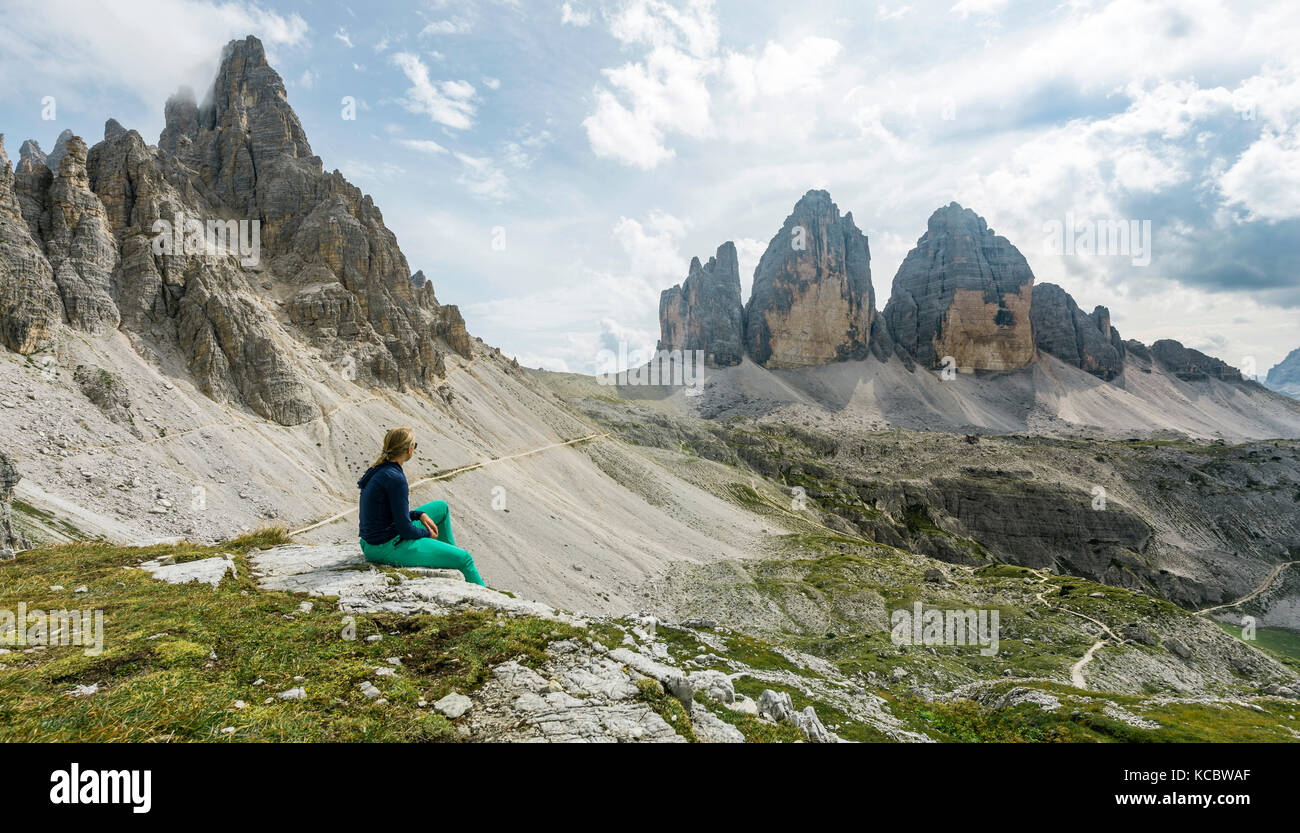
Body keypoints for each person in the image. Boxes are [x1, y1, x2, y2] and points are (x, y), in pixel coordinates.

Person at [356, 427, 485, 586]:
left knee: (441, 507)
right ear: (409, 450)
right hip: (386, 548)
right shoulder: (396, 479)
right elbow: (405, 530)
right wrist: (427, 534)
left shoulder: (379, 469)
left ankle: (448, 556)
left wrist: (418, 515)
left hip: (372, 543)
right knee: (465, 559)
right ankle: (490, 598)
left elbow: (386, 514)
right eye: (414, 445)